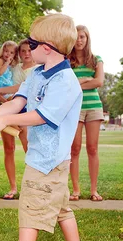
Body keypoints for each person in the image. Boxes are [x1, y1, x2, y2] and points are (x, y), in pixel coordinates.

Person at [0, 14, 84, 241]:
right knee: (60, 206)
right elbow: (18, 101)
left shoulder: (66, 83)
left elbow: (42, 116)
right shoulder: (36, 74)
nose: (28, 49)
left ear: (46, 48)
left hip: (49, 158)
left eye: (31, 44)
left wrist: (8, 121)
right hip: (42, 155)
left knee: (30, 205)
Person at [0, 39, 38, 200]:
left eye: (29, 50)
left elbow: (22, 88)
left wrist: (1, 90)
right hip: (10, 108)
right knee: (8, 149)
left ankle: (32, 186)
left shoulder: (38, 69)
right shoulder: (13, 68)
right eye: (23, 51)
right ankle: (12, 187)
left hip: (27, 110)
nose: (26, 53)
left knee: (29, 149)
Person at [68, 25, 105, 202]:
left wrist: (79, 83)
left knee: (92, 148)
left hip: (93, 107)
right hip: (74, 107)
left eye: (82, 37)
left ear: (87, 38)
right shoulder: (67, 61)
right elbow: (66, 84)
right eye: (76, 37)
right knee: (74, 149)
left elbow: (99, 82)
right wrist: (85, 79)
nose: (79, 40)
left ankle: (94, 190)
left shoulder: (96, 59)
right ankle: (75, 190)